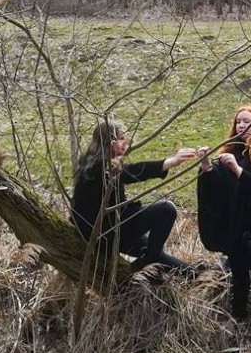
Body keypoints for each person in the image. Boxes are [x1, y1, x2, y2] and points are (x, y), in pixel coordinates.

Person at [197, 105, 251, 344]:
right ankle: (238, 313)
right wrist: (206, 165)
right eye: (238, 122)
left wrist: (237, 170)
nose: (241, 125)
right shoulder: (234, 151)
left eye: (246, 121)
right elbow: (219, 187)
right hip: (238, 223)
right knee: (238, 270)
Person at [71, 119, 197, 280]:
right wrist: (171, 162)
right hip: (106, 234)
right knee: (166, 209)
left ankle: (197, 276)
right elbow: (133, 172)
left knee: (153, 252)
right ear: (109, 142)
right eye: (121, 139)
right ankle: (147, 263)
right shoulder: (101, 166)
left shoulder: (92, 162)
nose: (126, 143)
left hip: (109, 230)